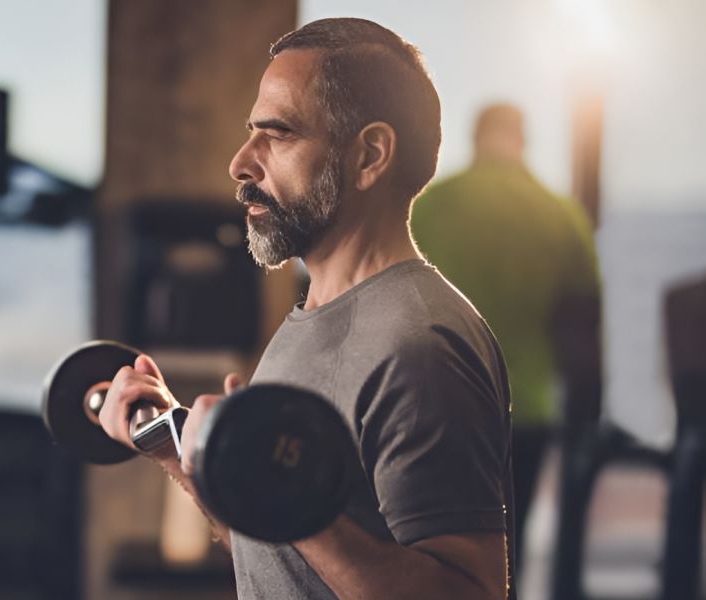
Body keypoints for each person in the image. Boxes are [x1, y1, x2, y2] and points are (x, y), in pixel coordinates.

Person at [100, 18, 514, 599]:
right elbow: (279, 546)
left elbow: (469, 592)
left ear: (369, 155)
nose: (241, 163)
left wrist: (279, 491)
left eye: (279, 134)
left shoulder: (419, 343)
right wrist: (179, 453)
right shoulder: (311, 319)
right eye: (251, 133)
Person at [410, 103, 600, 572]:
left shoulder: (428, 206)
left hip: (431, 411)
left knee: (425, 556)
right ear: (523, 140)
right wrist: (586, 429)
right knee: (504, 558)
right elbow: (581, 335)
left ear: (475, 139)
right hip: (524, 415)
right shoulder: (562, 215)